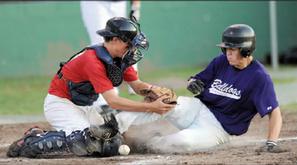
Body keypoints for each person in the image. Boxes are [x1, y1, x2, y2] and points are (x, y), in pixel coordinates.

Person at [6, 17, 175, 158]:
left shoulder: (120, 58)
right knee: (85, 142)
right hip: (62, 104)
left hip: (90, 104)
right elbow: (113, 101)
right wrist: (150, 107)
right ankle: (32, 140)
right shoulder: (92, 60)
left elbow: (137, 85)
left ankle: (69, 133)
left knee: (110, 141)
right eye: (129, 44)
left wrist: (153, 89)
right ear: (115, 40)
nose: (132, 49)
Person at [110, 24, 284, 154]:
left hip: (218, 129)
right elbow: (197, 79)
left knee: (182, 142)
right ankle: (111, 127)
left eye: (232, 49)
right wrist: (193, 82)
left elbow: (274, 112)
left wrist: (272, 142)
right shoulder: (221, 61)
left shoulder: (259, 77)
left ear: (246, 50)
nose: (227, 52)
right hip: (197, 109)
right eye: (226, 48)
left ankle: (145, 144)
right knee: (162, 101)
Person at [80, 0, 141, 98]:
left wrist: (136, 4)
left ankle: (132, 79)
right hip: (95, 3)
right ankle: (104, 96)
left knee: (124, 39)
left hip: (119, 3)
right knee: (101, 43)